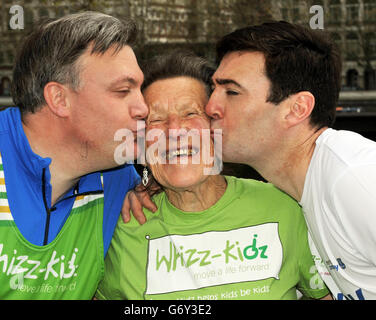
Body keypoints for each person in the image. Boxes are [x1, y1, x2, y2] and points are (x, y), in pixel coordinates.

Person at [96, 51, 330, 300]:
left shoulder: (285, 208)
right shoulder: (117, 228)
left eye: (190, 114)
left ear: (217, 126)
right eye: (156, 120)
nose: (174, 131)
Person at [0, 12, 148, 299]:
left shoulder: (118, 179)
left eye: (140, 89)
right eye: (123, 91)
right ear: (59, 99)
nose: (143, 108)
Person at [205, 21, 376, 300]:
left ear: (296, 109)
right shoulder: (305, 188)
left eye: (232, 92)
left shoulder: (355, 180)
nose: (210, 106)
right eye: (213, 89)